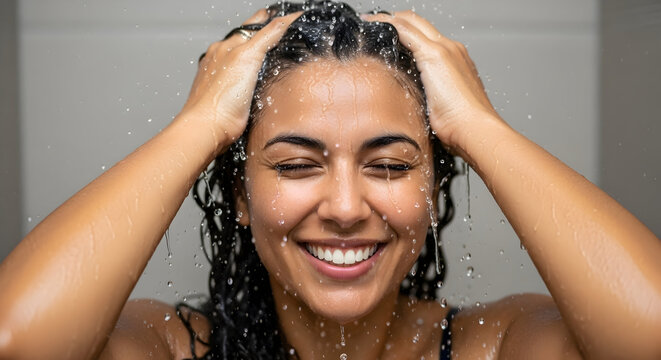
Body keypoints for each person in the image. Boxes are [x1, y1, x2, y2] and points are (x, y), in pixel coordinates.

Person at [0, 1, 660, 359]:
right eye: (294, 165)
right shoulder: (168, 348)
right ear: (238, 193)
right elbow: (18, 342)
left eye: (391, 165)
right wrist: (196, 127)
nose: (345, 207)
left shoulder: (498, 347)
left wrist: (480, 128)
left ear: (432, 192)